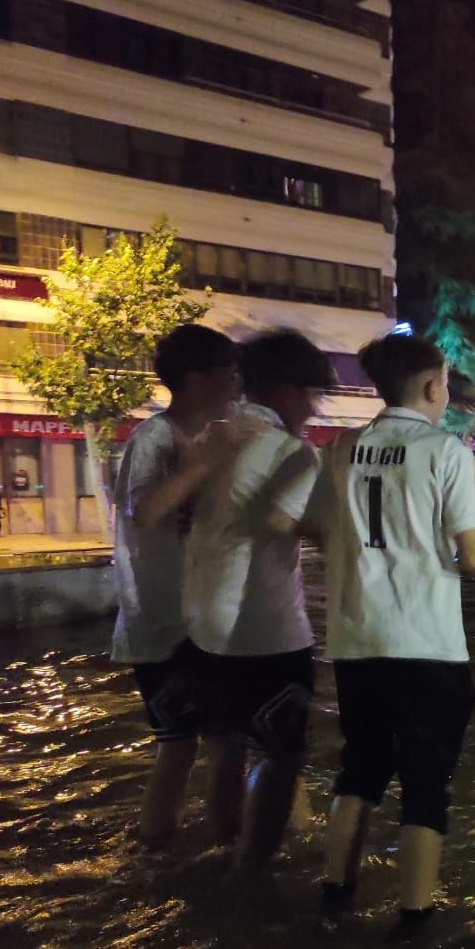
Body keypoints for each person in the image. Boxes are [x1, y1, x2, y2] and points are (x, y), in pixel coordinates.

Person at [313, 334, 475, 935]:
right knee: (425, 786)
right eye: (445, 381)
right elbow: (472, 552)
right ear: (430, 386)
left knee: (359, 771)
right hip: (426, 645)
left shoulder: (340, 449)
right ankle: (414, 924)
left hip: (357, 643)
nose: (446, 393)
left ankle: (332, 897)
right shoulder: (444, 451)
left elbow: (322, 532)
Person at [173, 329, 333, 866]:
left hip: (201, 632)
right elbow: (308, 528)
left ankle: (222, 852)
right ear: (287, 390)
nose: (313, 408)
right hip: (268, 633)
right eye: (312, 395)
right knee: (282, 753)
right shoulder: (294, 454)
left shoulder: (209, 441)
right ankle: (254, 876)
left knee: (226, 750)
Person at [111, 324, 244, 849]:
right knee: (197, 743)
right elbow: (144, 510)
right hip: (166, 623)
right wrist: (209, 463)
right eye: (227, 375)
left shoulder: (206, 439)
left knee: (199, 743)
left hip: (198, 620)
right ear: (195, 379)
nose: (236, 385)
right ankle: (209, 853)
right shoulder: (156, 438)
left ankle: (173, 851)